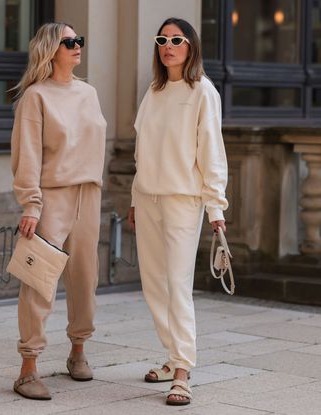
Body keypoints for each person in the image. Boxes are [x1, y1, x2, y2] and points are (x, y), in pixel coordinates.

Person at [128, 17, 228, 406]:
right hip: (149, 199)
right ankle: (172, 357)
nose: (168, 45)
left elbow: (212, 154)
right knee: (154, 284)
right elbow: (141, 154)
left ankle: (183, 369)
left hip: (184, 202)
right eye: (162, 39)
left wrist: (216, 207)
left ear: (191, 46)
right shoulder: (153, 92)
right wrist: (135, 200)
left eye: (177, 39)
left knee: (177, 284)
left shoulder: (203, 91)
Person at [10, 22, 106, 400]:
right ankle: (28, 367)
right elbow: (28, 154)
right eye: (69, 42)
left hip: (89, 196)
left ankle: (78, 350)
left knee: (85, 279)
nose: (77, 46)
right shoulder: (36, 97)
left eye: (79, 40)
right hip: (51, 198)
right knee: (38, 282)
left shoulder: (89, 92)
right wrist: (31, 204)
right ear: (51, 49)